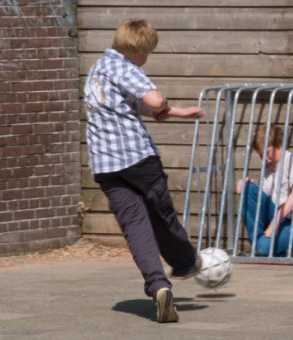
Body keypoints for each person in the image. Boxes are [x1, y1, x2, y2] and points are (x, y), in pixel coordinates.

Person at [83, 19, 204, 323]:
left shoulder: (96, 71)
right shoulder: (125, 67)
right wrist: (163, 102)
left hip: (106, 167)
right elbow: (154, 99)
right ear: (139, 51)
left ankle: (159, 287)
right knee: (162, 215)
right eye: (147, 54)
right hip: (138, 159)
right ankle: (186, 260)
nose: (146, 59)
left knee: (135, 227)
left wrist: (176, 113)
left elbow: (127, 106)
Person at [237, 124, 293, 257]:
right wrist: (249, 186)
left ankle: (262, 247)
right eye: (261, 155)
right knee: (248, 188)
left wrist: (276, 220)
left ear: (279, 144)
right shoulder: (268, 168)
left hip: (292, 222)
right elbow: (264, 199)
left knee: (263, 247)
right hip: (272, 217)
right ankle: (260, 245)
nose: (265, 159)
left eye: (266, 152)